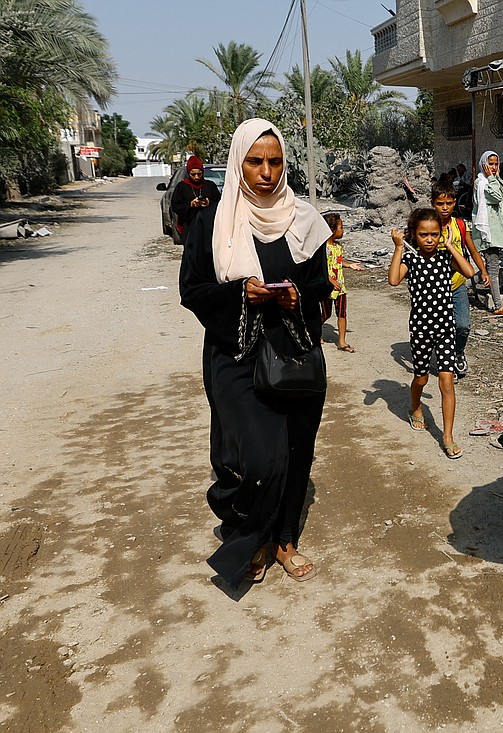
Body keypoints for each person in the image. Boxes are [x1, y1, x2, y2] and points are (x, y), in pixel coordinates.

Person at [179, 118, 333, 587]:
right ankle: (247, 534)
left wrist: (296, 300)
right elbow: (194, 290)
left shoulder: (304, 220)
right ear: (238, 163)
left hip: (294, 357)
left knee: (296, 451)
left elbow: (322, 290)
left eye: (275, 161)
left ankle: (283, 540)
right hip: (235, 356)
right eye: (255, 161)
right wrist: (241, 293)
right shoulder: (213, 220)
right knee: (259, 460)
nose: (266, 171)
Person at [388, 208, 474, 459]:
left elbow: (469, 272)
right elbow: (394, 280)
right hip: (421, 329)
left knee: (447, 381)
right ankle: (415, 408)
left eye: (434, 234)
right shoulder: (411, 259)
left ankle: (447, 436)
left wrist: (451, 246)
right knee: (422, 378)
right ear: (414, 235)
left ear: (441, 234)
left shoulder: (446, 257)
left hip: (445, 328)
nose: (429, 239)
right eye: (423, 234)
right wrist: (398, 247)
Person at [431, 181, 490, 378]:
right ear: (433, 204)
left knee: (463, 326)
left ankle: (457, 353)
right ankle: (445, 364)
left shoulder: (460, 225)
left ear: (454, 202)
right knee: (440, 327)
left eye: (449, 203)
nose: (445, 208)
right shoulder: (429, 227)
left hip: (457, 285)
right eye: (440, 204)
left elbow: (472, 250)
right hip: (435, 288)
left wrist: (483, 271)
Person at [471, 150, 503, 315]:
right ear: (484, 165)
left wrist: (497, 178)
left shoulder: (492, 181)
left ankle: (462, 283)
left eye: (496, 164)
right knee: (494, 269)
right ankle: (498, 306)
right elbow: (496, 197)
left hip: (495, 232)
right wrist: (491, 178)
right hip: (486, 232)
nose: (493, 167)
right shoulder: (481, 183)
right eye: (490, 164)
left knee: (490, 269)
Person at [321, 212, 356, 353]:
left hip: (340, 287)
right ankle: (315, 332)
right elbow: (320, 267)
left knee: (342, 313)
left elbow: (337, 262)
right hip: (326, 286)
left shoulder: (337, 247)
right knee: (325, 314)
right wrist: (331, 280)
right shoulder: (322, 248)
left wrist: (350, 265)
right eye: (341, 227)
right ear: (331, 229)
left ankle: (342, 341)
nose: (343, 230)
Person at [170, 155, 221, 244]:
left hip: (208, 226)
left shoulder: (210, 185)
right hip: (189, 225)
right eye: (193, 174)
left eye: (199, 174)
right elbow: (175, 205)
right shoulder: (182, 186)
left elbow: (220, 203)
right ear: (189, 173)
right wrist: (190, 204)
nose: (196, 177)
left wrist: (209, 203)